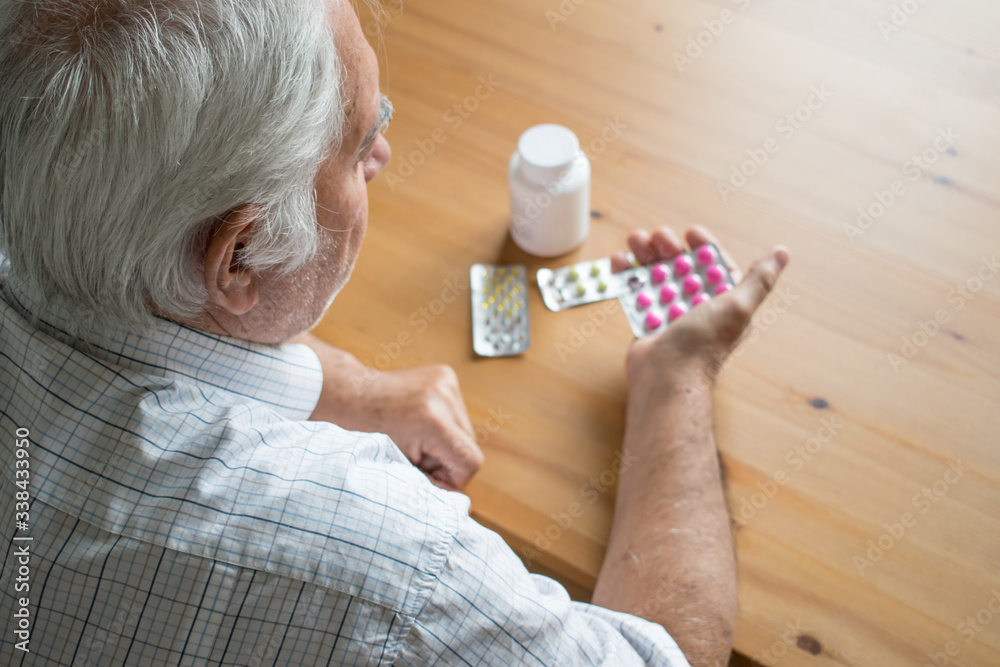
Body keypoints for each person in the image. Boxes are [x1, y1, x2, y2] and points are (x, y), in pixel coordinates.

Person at [0, 0, 788, 665]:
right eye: (355, 143)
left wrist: (348, 388)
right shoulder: (403, 579)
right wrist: (676, 381)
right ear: (239, 257)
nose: (383, 153)